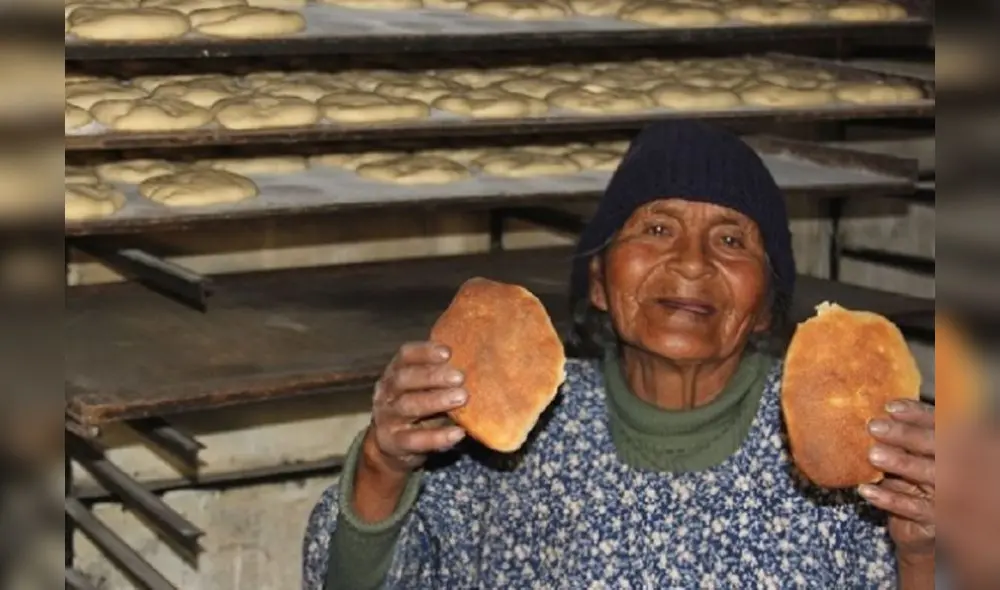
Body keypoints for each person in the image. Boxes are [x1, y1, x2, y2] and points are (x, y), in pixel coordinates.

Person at [302, 120, 938, 589]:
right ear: (600, 282)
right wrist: (383, 464)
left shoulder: (853, 446)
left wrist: (924, 555)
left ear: (768, 306)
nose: (692, 262)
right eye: (656, 229)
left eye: (731, 240)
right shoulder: (505, 431)